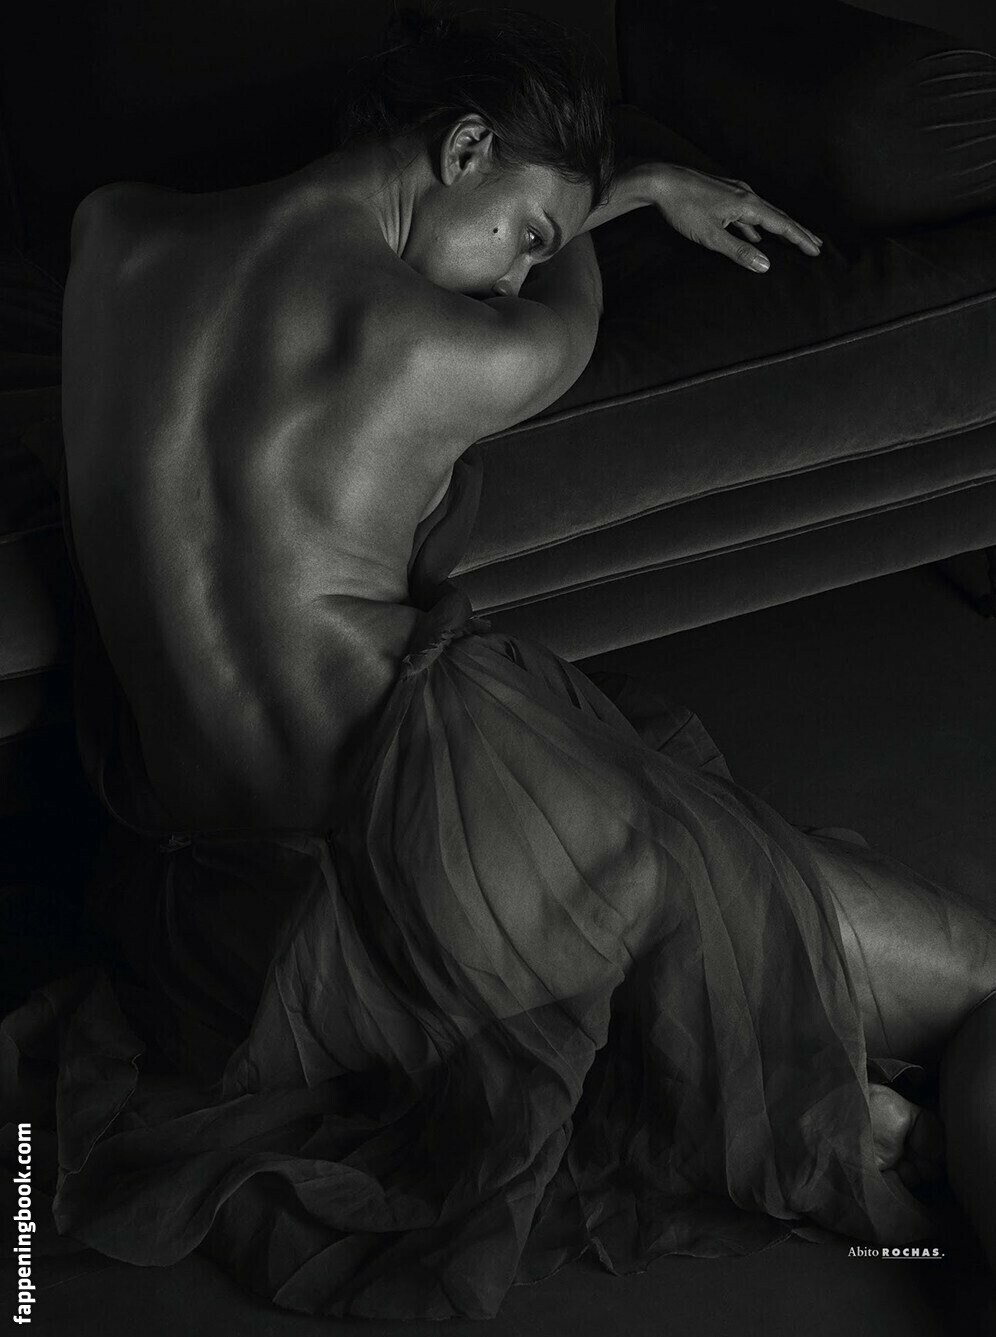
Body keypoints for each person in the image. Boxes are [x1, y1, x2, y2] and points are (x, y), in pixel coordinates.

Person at [2, 5, 995, 1322]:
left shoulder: (110, 234)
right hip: (426, 856)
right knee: (968, 974)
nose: (519, 277)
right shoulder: (466, 351)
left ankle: (831, 1098)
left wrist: (562, 196)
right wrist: (626, 192)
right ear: (462, 147)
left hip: (218, 927)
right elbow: (557, 308)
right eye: (527, 234)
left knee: (744, 922)